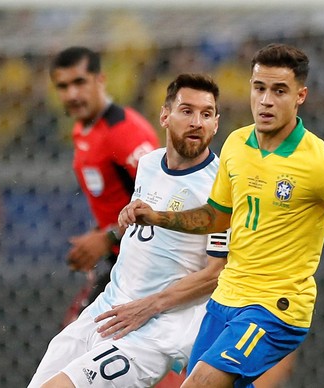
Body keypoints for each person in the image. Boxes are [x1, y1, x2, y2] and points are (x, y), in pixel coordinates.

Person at [118, 43, 324, 388]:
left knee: (199, 385)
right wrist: (157, 217)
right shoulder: (237, 144)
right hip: (225, 301)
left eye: (279, 91)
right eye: (259, 88)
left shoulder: (322, 164)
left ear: (300, 96)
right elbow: (215, 218)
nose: (266, 100)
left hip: (275, 309)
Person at [28, 73, 228, 387]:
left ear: (216, 123)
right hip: (107, 310)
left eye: (206, 114)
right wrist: (118, 227)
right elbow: (149, 228)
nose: (197, 122)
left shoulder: (221, 188)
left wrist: (149, 306)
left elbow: (218, 275)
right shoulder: (148, 164)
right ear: (165, 115)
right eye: (187, 111)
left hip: (153, 331)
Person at [49, 46, 160, 326]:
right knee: (76, 341)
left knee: (79, 345)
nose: (72, 94)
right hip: (119, 259)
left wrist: (107, 237)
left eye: (79, 82)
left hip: (149, 266)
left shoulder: (125, 133)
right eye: (63, 86)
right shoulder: (83, 129)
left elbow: (163, 200)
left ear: (100, 80)